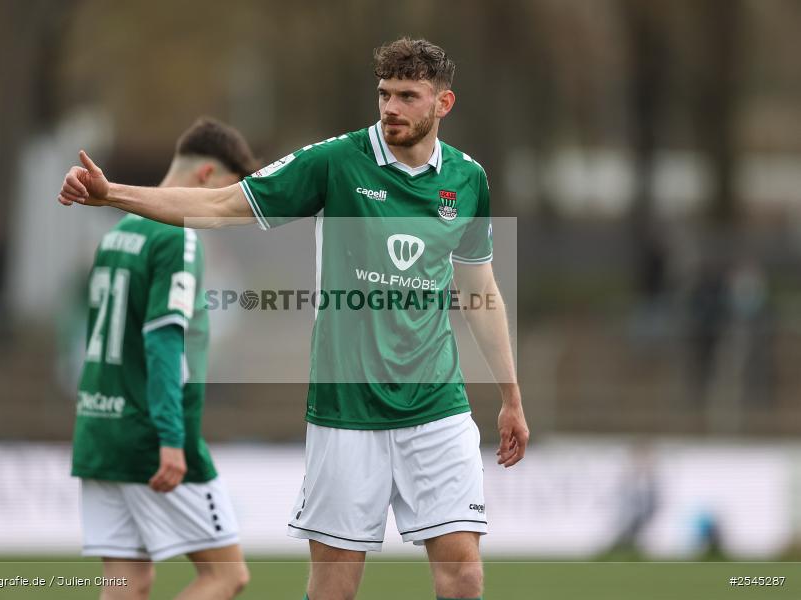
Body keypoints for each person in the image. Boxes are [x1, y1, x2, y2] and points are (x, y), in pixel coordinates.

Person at [60, 39, 528, 600]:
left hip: (437, 406)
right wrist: (114, 195)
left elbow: (480, 287)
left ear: (442, 103)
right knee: (334, 587)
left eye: (408, 96)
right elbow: (220, 205)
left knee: (465, 576)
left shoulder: (467, 179)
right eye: (384, 94)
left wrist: (510, 393)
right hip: (346, 411)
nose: (391, 108)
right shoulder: (334, 162)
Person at [70, 117, 257, 600]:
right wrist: (172, 439)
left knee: (127, 584)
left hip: (99, 428)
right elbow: (162, 342)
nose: (229, 211)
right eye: (230, 195)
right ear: (206, 177)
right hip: (151, 434)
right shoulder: (178, 236)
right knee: (226, 576)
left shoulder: (117, 233)